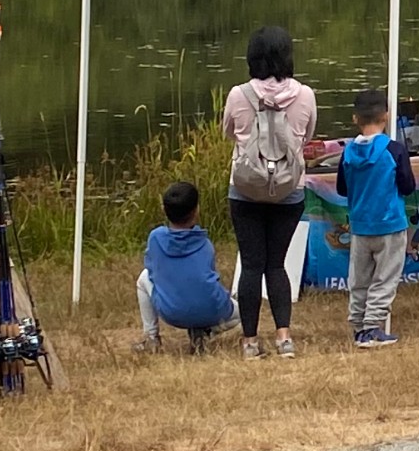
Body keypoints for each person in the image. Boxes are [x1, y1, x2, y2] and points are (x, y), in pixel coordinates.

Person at [222, 25, 317, 360]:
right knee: (276, 265)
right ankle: (284, 338)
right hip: (288, 191)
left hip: (246, 189)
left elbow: (229, 133)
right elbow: (306, 137)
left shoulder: (238, 94)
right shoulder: (305, 95)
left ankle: (249, 342)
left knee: (251, 266)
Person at [335, 88, 417, 349]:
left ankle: (358, 326)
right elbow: (407, 186)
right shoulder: (394, 150)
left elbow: (341, 188)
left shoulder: (347, 152)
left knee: (359, 279)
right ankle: (372, 327)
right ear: (386, 115)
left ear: (354, 118)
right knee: (385, 278)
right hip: (390, 224)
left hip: (360, 225)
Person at [133, 180, 236, 354]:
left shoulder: (155, 238)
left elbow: (151, 269)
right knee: (241, 314)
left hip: (172, 313)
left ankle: (151, 338)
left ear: (164, 210)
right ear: (196, 211)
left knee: (143, 279)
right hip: (211, 310)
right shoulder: (205, 244)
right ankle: (205, 331)